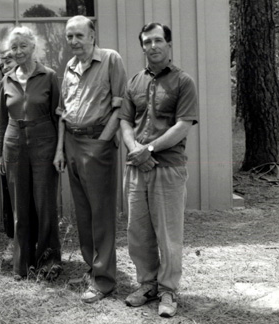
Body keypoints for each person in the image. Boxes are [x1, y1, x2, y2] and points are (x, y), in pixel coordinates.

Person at [120, 22, 198, 317]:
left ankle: (168, 291)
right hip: (137, 169)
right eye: (146, 42)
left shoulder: (183, 82)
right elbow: (125, 122)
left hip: (168, 168)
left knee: (168, 235)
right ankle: (147, 284)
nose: (152, 46)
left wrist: (149, 150)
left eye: (157, 41)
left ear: (168, 44)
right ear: (142, 46)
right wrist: (135, 151)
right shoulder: (134, 82)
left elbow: (183, 125)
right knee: (138, 232)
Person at [53, 15, 127, 303]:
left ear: (92, 35)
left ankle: (105, 281)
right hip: (71, 142)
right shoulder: (70, 66)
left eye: (79, 35)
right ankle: (91, 270)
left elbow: (121, 105)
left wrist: (102, 141)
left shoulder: (110, 60)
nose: (74, 41)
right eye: (69, 36)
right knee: (83, 213)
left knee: (101, 214)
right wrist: (60, 149)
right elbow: (63, 112)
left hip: (97, 144)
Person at [0, 26, 62, 281]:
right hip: (14, 143)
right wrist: (0, 154)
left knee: (44, 203)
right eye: (14, 47)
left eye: (23, 45)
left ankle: (48, 261)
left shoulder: (49, 76)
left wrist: (60, 151)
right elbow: (2, 121)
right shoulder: (6, 80)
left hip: (44, 141)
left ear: (34, 47)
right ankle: (22, 264)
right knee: (19, 206)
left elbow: (59, 118)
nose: (19, 51)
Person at [0, 49, 17, 239]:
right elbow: (1, 123)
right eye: (2, 65)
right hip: (8, 151)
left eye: (8, 61)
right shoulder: (4, 85)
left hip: (33, 151)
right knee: (9, 199)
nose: (5, 67)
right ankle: (13, 241)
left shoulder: (41, 80)